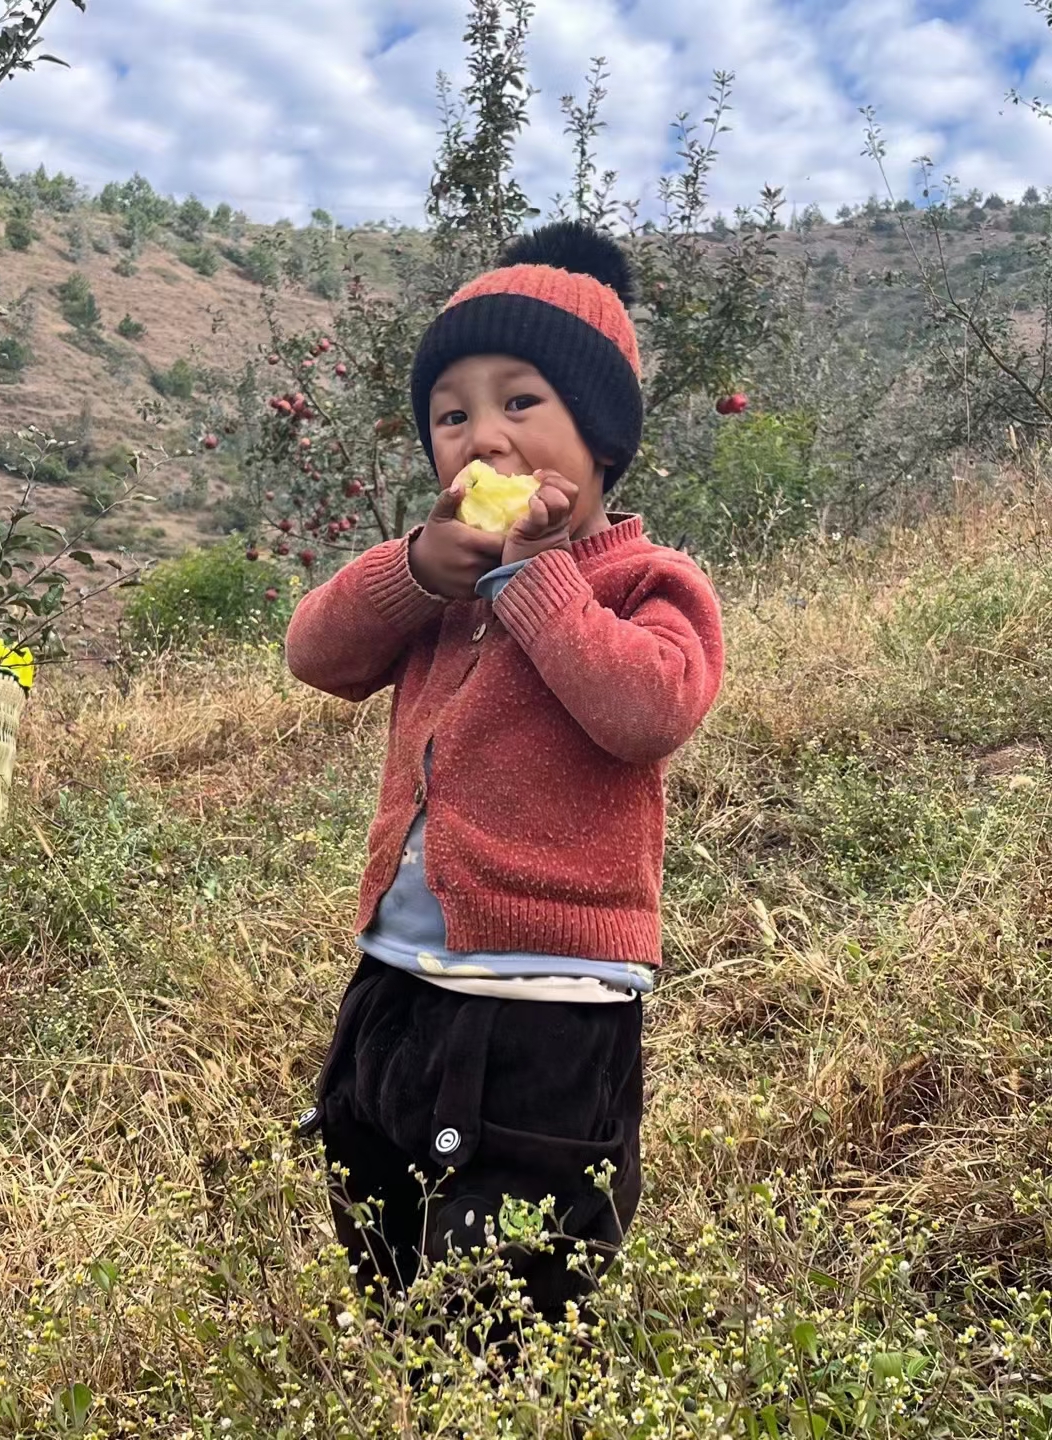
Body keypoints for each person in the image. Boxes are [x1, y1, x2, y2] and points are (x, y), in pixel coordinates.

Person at [286, 220, 725, 1342]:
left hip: (549, 1005)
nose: (483, 437)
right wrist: (413, 570)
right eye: (452, 414)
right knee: (372, 1192)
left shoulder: (644, 582)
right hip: (396, 975)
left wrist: (537, 578)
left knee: (510, 1282)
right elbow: (317, 657)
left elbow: (645, 711)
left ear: (603, 439)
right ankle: (404, 1369)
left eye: (521, 403)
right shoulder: (440, 586)